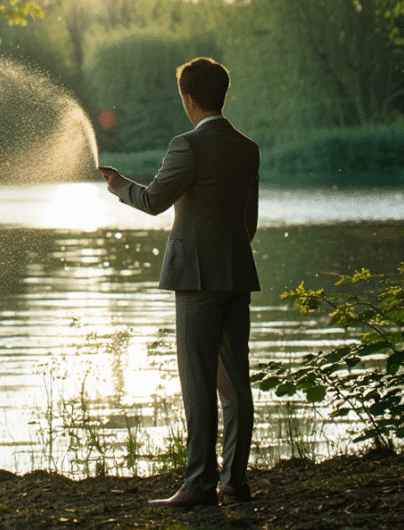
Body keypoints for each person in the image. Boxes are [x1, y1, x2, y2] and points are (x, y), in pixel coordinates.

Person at [97, 57, 259, 509]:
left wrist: (118, 185)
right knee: (235, 384)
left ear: (189, 98)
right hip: (237, 275)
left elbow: (152, 201)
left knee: (197, 380)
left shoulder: (186, 145)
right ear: (222, 94)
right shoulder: (249, 148)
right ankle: (234, 481)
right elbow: (249, 222)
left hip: (196, 279)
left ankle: (199, 485)